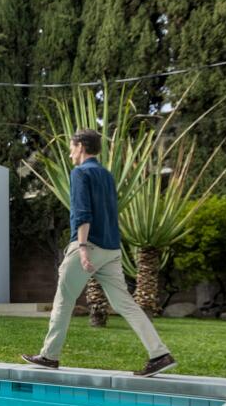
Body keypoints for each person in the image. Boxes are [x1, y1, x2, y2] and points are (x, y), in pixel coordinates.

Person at [22, 128, 177, 377]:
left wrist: (82, 248)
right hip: (111, 249)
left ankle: (50, 356)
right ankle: (160, 354)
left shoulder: (80, 173)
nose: (70, 152)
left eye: (72, 147)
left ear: (81, 146)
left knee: (64, 300)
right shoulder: (106, 175)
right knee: (126, 304)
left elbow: (82, 212)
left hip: (89, 245)